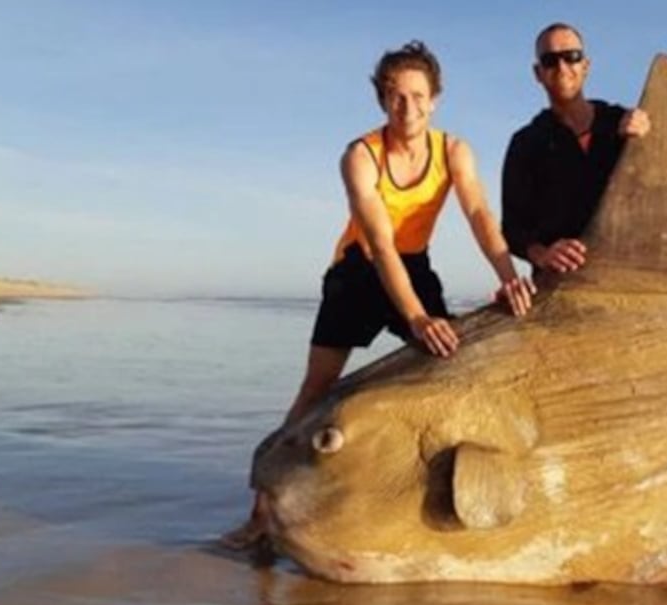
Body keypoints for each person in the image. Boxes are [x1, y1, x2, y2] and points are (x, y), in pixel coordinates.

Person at [222, 40, 535, 550]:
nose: (406, 107)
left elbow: (479, 214)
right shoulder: (360, 156)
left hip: (414, 263)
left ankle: (420, 495)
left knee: (449, 361)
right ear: (382, 101)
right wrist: (414, 317)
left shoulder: (453, 150)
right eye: (394, 96)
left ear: (434, 99)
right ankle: (261, 512)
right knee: (318, 386)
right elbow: (381, 243)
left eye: (416, 95)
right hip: (358, 270)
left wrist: (508, 272)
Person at [501, 23, 651, 274]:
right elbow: (513, 229)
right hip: (563, 286)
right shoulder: (526, 144)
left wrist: (650, 140)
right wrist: (543, 254)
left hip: (630, 274)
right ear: (538, 73)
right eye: (550, 60)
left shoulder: (625, 123)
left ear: (586, 66)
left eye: (571, 57)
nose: (561, 68)